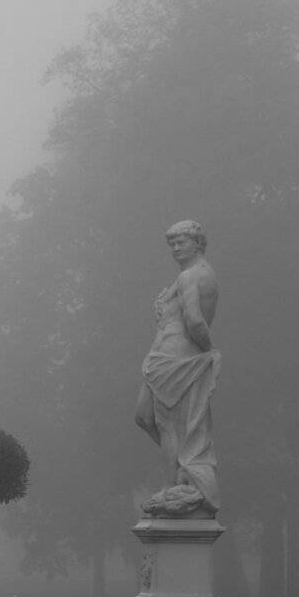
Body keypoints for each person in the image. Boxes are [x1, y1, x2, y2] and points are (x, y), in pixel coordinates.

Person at [133, 219, 221, 514]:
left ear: (198, 242)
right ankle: (183, 469)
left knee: (167, 425)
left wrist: (209, 353)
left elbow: (195, 320)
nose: (175, 248)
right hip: (163, 357)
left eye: (181, 241)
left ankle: (173, 487)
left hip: (175, 359)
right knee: (144, 416)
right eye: (171, 244)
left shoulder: (191, 276)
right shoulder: (191, 275)